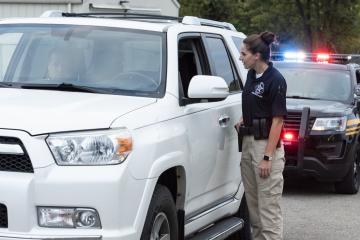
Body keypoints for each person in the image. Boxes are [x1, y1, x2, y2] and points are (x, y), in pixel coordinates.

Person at [236, 31, 287, 240]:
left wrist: (267, 157)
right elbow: (255, 104)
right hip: (248, 144)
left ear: (256, 55)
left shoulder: (276, 79)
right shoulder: (250, 75)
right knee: (254, 212)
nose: (240, 57)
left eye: (243, 53)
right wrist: (243, 118)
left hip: (266, 147)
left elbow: (278, 121)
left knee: (268, 213)